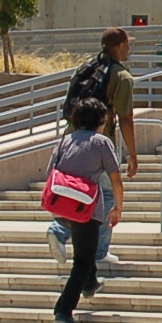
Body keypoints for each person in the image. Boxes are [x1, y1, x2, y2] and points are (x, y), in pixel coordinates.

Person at [50, 27, 141, 274]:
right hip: (99, 144)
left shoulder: (85, 67)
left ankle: (59, 230)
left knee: (75, 190)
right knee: (106, 196)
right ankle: (98, 251)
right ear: (119, 46)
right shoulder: (122, 77)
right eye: (127, 44)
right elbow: (126, 118)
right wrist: (132, 154)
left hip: (70, 139)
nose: (129, 49)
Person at [49, 97, 125, 323]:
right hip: (87, 208)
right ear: (101, 121)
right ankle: (64, 309)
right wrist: (118, 207)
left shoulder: (65, 140)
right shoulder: (101, 143)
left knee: (86, 250)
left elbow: (51, 171)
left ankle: (90, 283)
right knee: (82, 261)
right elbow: (115, 178)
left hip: (62, 205)